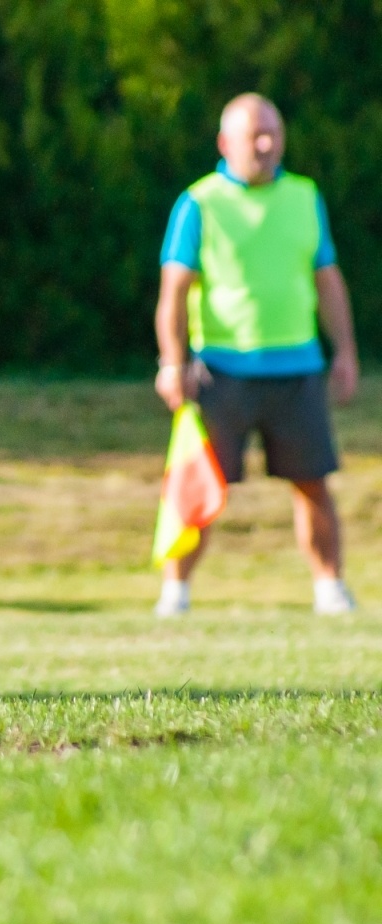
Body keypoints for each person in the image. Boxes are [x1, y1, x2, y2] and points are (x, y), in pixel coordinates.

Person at [153, 93, 360, 617]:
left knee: (313, 484)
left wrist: (345, 352)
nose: (266, 145)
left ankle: (329, 589)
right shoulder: (199, 203)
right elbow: (173, 291)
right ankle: (175, 594)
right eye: (254, 136)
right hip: (221, 371)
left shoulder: (305, 196)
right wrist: (172, 361)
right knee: (200, 483)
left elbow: (327, 278)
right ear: (226, 143)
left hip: (297, 367)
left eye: (273, 134)